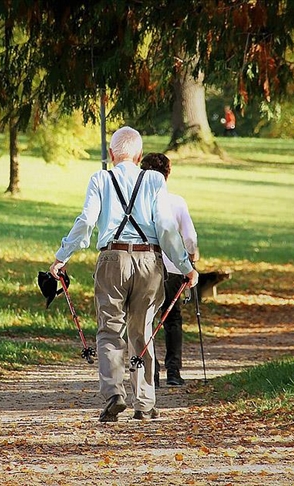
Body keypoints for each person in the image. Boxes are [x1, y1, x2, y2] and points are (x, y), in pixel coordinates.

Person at [49, 126, 199, 422]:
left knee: (109, 329)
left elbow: (86, 221)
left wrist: (61, 257)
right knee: (142, 331)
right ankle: (145, 403)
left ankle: (114, 394)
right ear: (139, 155)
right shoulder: (155, 180)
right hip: (149, 261)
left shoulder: (100, 179)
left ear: (111, 155)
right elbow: (167, 229)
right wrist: (186, 266)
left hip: (112, 259)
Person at [140, 153, 198, 388]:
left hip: (147, 266)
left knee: (147, 318)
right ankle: (173, 371)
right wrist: (192, 257)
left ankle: (150, 373)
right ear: (168, 174)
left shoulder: (139, 202)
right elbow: (190, 237)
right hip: (174, 267)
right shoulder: (176, 201)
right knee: (172, 319)